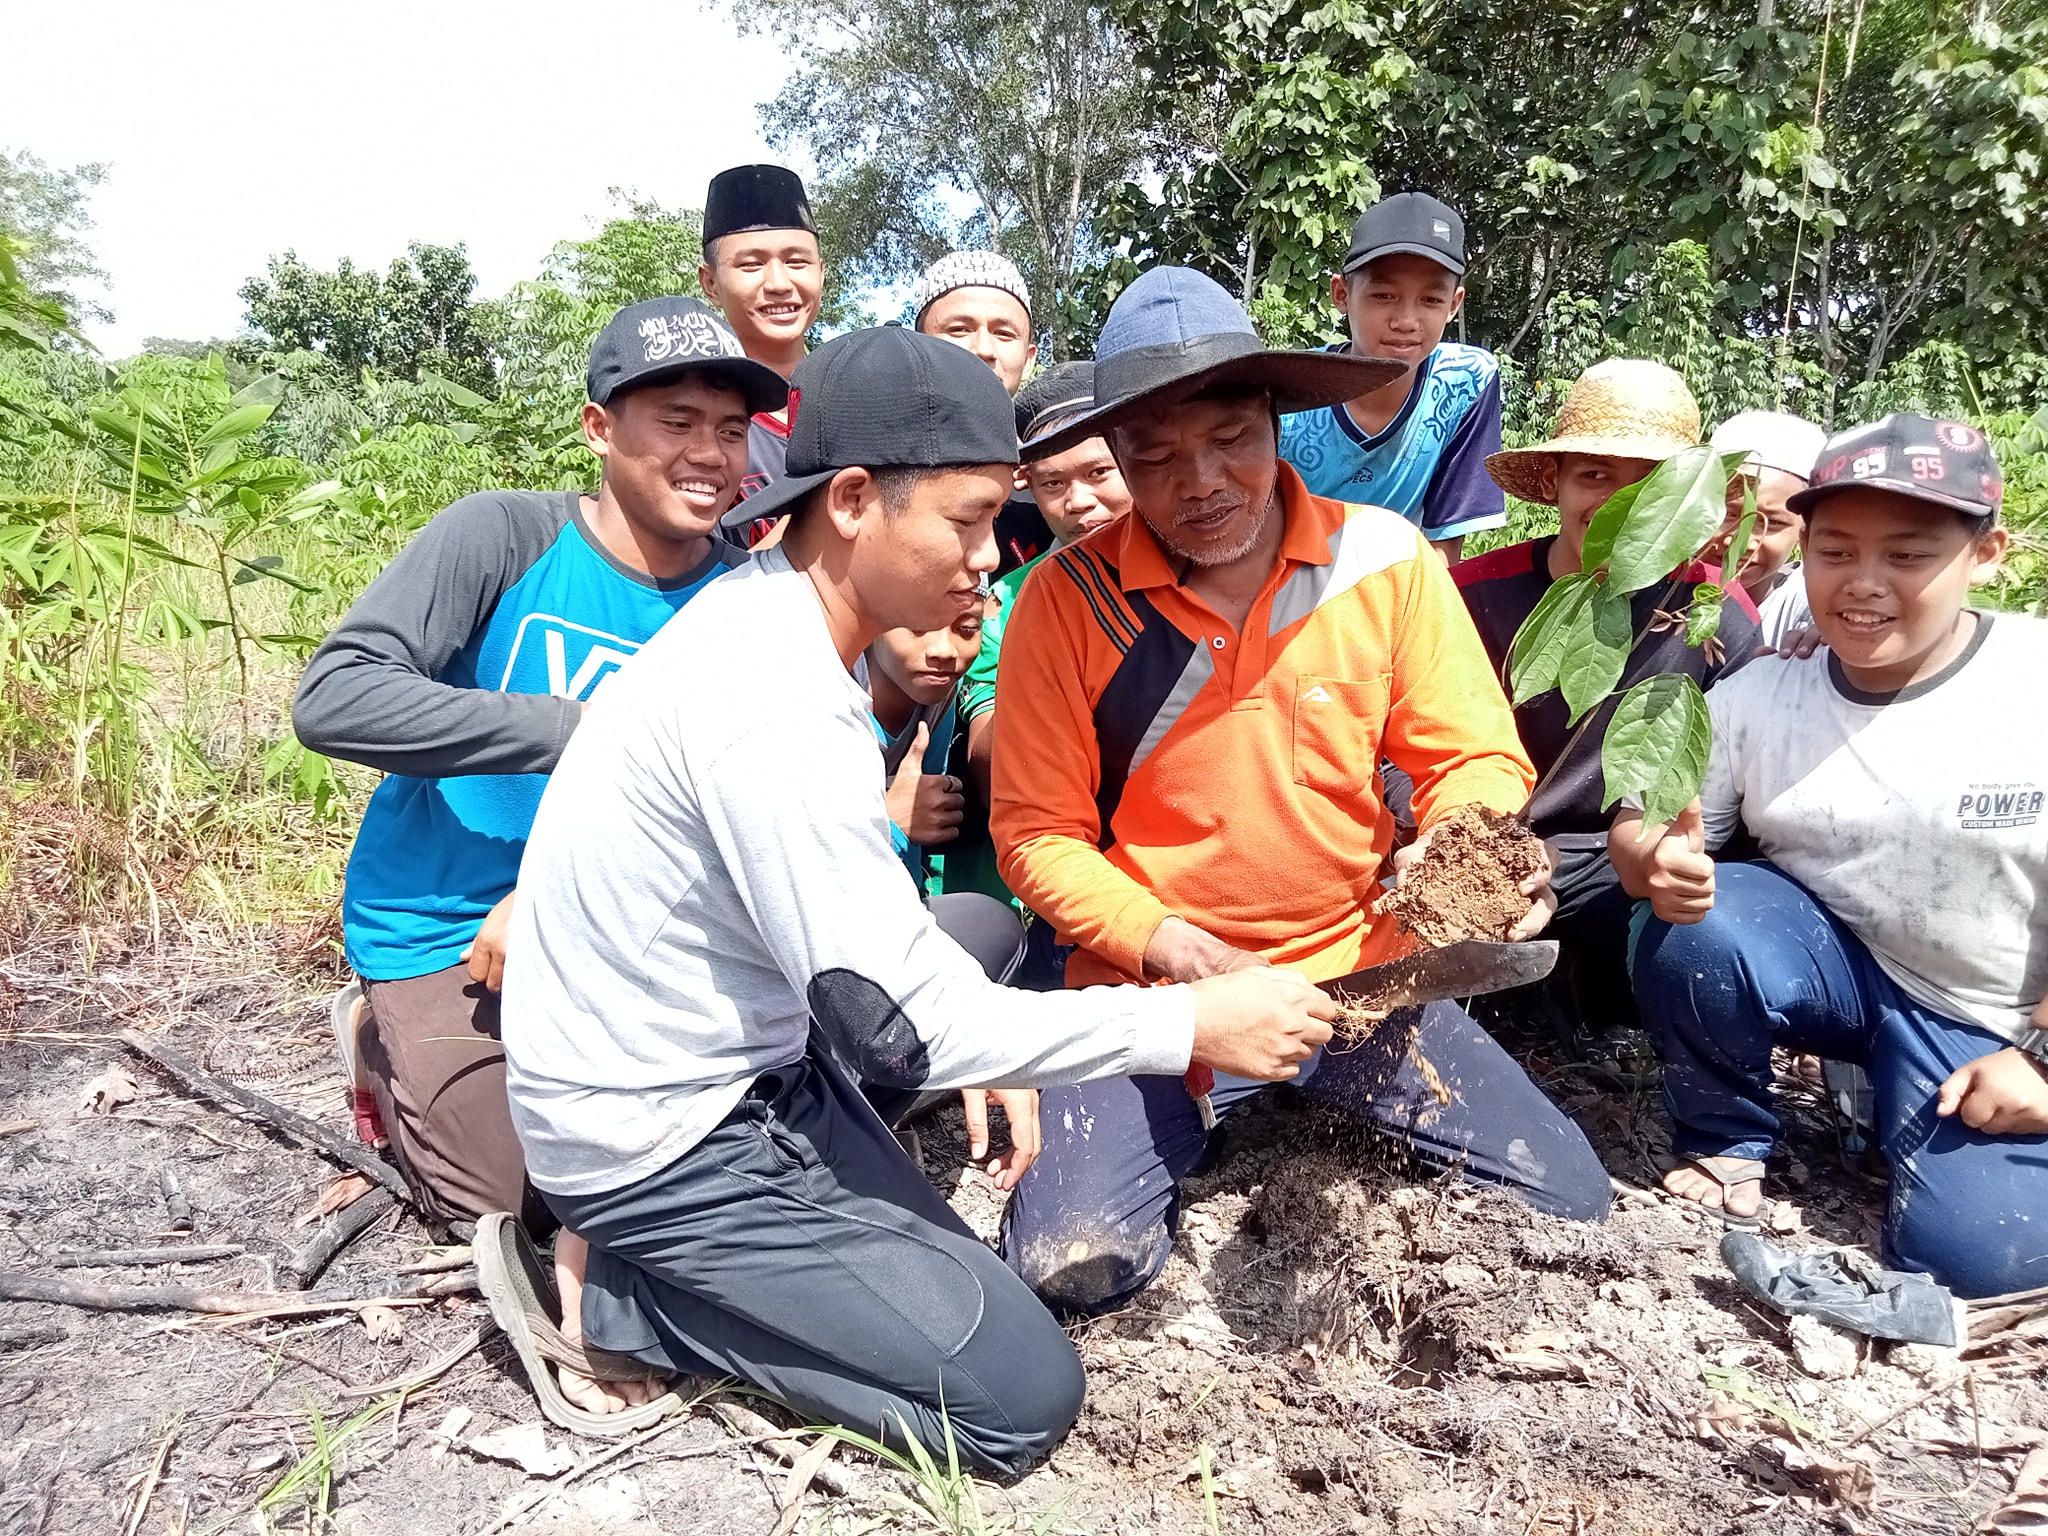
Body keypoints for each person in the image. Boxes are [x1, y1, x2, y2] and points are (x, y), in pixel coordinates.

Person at [498, 323, 1343, 1472]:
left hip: (738, 1066)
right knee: (1017, 1401)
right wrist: (1188, 1023)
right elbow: (902, 1032)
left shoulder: (781, 627)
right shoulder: (770, 704)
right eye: (967, 519)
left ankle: (671, 1250)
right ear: (852, 501)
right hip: (662, 1134)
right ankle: (624, 1302)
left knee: (963, 1205)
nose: (990, 556)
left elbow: (873, 960)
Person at [987, 267, 1612, 1317]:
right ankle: (1213, 1099)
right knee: (1069, 1266)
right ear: (1118, 460)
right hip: (1159, 995)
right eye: (1155, 456)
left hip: (1357, 977)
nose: (1200, 482)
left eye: (1229, 437)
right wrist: (1195, 963)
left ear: (1276, 420)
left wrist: (1463, 845)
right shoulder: (1064, 600)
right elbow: (1037, 838)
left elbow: (1471, 756)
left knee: (1567, 1198)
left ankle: (1289, 1090)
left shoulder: (1383, 560)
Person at [292, 296, 785, 1410]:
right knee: (515, 1194)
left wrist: (558, 892)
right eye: (676, 422)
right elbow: (336, 696)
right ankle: (384, 1041)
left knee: (686, 1165)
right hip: (448, 923)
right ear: (598, 428)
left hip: (628, 931)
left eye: (730, 429)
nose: (709, 454)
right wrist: (574, 730)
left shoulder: (744, 595)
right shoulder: (503, 537)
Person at [1614, 413, 2048, 1298]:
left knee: (1983, 1261)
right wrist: (1652, 861)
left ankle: (1902, 1098)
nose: (1864, 584)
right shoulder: (1763, 691)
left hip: (1993, 1016)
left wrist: (2041, 1059)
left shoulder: (2029, 683)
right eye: (1836, 552)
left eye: (1908, 555)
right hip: (1839, 967)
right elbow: (1643, 826)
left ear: (1986, 553)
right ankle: (1728, 1135)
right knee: (1704, 924)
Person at [1452, 359, 1762, 1082]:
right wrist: (1479, 843)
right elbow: (1405, 741)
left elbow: (1732, 772)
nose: (1620, 505)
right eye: (1595, 476)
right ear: (1554, 480)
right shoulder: (1473, 592)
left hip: (1617, 858)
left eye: (1651, 483)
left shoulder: (1711, 611)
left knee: (1686, 917)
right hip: (1482, 836)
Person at [944, 363, 1134, 918]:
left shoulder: (1206, 571)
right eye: (1054, 483)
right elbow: (989, 759)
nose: (1078, 501)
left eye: (1099, 472)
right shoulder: (1002, 605)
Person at [1277, 191, 1506, 561]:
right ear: (1341, 294)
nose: (1406, 322)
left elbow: (1443, 550)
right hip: (1291, 578)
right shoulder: (1287, 392)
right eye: (1384, 295)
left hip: (1401, 581)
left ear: (1454, 304)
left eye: (1430, 300)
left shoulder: (1466, 381)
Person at [912, 249, 1055, 573]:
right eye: (959, 329)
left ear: (1029, 359)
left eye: (1004, 334)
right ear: (918, 346)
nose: (984, 350)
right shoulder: (875, 467)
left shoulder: (1050, 481)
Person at [697, 164, 822, 521]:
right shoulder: (690, 417)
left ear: (821, 272)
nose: (779, 283)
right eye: (751, 265)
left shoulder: (862, 405)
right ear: (711, 284)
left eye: (797, 262)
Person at [1703, 410, 1827, 647]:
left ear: (1805, 535)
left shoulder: (1814, 609)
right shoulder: (1654, 591)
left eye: (1772, 523)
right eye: (1727, 514)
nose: (1739, 543)